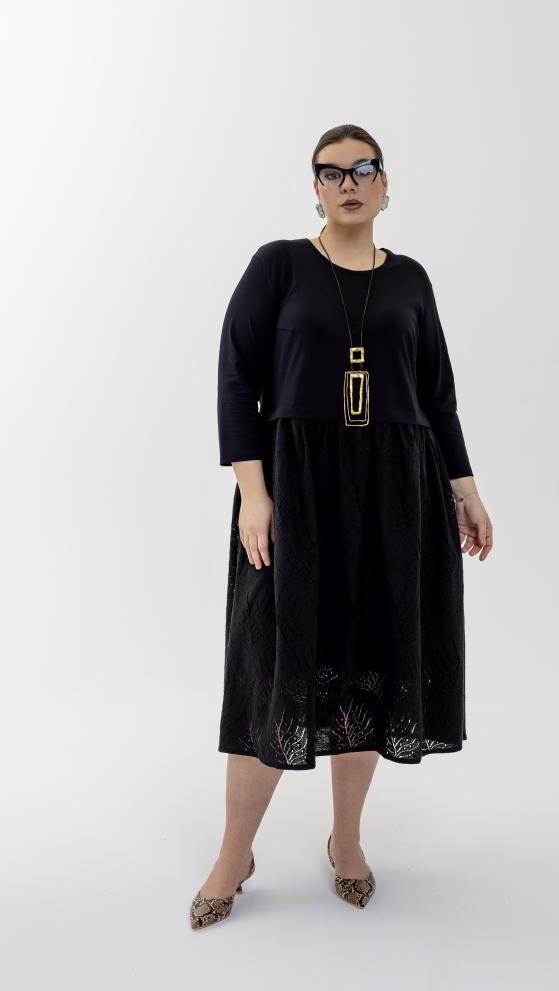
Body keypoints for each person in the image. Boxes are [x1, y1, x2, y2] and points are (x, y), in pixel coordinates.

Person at [189, 124, 493, 930]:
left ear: (385, 185)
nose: (348, 182)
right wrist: (254, 494)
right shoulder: (280, 265)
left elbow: (438, 396)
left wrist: (465, 490)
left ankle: (347, 841)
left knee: (369, 664)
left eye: (363, 169)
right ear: (315, 189)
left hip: (396, 490)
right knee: (272, 668)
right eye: (331, 172)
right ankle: (234, 854)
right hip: (297, 488)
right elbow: (235, 378)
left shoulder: (411, 280)